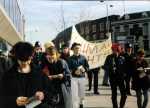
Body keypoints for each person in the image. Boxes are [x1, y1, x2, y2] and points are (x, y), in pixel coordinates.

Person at [0, 42, 50, 108]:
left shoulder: (39, 73)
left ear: (31, 57)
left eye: (28, 60)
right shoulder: (7, 76)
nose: (25, 63)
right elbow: (2, 98)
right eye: (22, 60)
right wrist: (14, 101)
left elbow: (50, 91)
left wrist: (44, 94)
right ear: (16, 58)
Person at [105, 43, 127, 108]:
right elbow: (104, 66)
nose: (116, 51)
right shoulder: (109, 57)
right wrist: (110, 68)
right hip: (113, 78)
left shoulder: (122, 58)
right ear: (112, 50)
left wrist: (124, 73)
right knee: (114, 95)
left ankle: (121, 106)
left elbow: (125, 67)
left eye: (117, 50)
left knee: (124, 95)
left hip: (121, 78)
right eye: (114, 50)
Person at [68, 42, 89, 108]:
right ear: (73, 49)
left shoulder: (83, 58)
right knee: (74, 96)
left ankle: (81, 104)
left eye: (79, 48)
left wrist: (84, 70)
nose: (78, 50)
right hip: (74, 78)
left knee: (82, 95)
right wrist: (74, 72)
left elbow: (87, 67)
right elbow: (68, 69)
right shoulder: (70, 59)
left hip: (82, 78)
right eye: (76, 48)